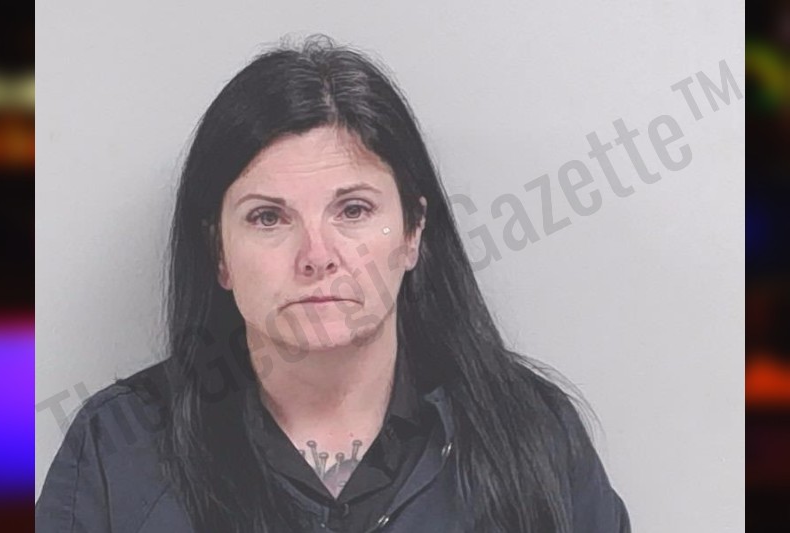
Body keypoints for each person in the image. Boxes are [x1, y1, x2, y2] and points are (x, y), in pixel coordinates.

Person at [36, 35, 631, 533]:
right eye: (268, 217)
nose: (316, 257)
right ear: (219, 254)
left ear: (413, 233)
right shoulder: (119, 448)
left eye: (353, 210)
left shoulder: (533, 436)